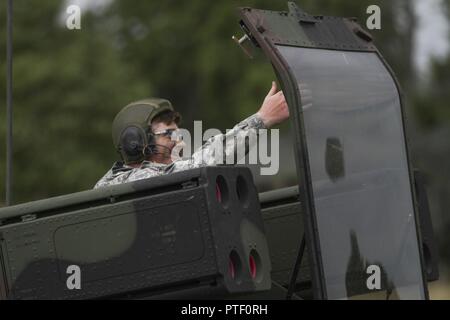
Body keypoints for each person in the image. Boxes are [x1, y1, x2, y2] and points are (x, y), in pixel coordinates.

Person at [94, 81, 289, 189]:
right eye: (168, 129)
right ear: (135, 142)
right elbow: (203, 163)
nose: (178, 134)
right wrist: (262, 118)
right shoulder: (128, 182)